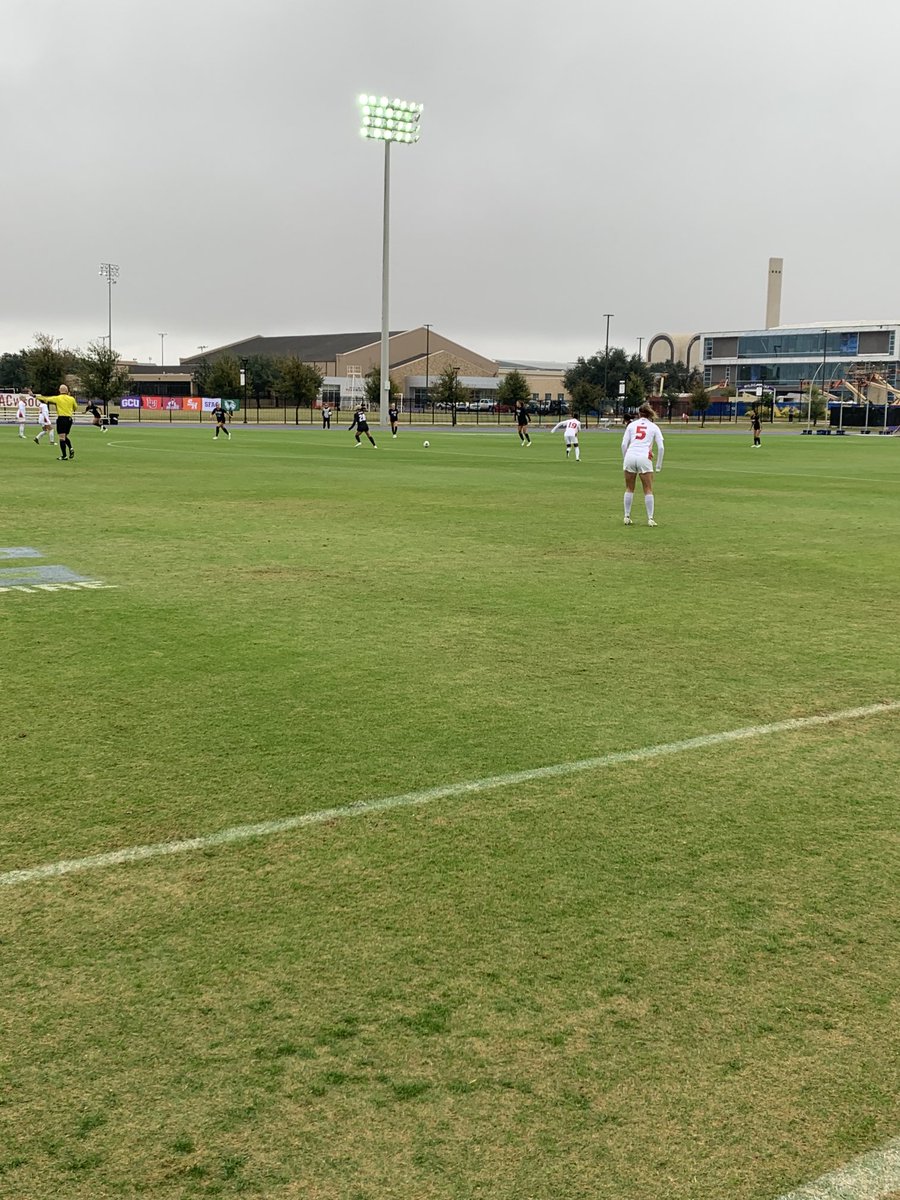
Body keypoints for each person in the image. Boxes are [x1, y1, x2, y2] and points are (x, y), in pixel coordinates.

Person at [621, 401, 665, 527]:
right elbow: (661, 448)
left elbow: (624, 444)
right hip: (644, 458)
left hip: (630, 455)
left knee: (629, 488)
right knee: (648, 489)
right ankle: (650, 518)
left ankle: (626, 516)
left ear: (639, 414)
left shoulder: (631, 425)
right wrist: (658, 466)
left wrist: (625, 458)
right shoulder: (654, 427)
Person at [41, 384, 78, 460]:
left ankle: (64, 456)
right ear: (67, 391)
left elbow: (47, 399)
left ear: (60, 390)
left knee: (61, 437)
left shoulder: (58, 398)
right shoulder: (72, 399)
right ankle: (70, 448)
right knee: (65, 436)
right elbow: (75, 408)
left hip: (61, 418)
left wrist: (34, 396)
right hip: (69, 419)